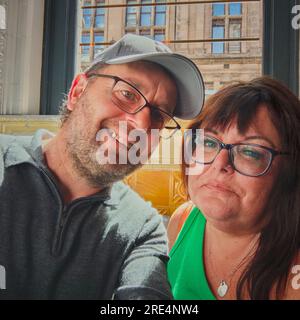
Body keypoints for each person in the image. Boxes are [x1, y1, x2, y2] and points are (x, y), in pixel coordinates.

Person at [0, 34, 205, 299]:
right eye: (127, 93)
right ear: (77, 92)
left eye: (158, 115)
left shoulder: (142, 231)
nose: (141, 125)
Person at [167, 77, 300, 300]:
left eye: (250, 152)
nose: (220, 164)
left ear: (291, 172)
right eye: (208, 143)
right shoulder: (182, 220)